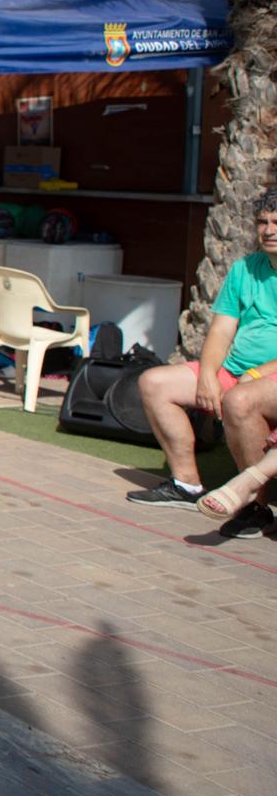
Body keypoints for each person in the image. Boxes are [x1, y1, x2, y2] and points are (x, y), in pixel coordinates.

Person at [129, 189, 277, 538]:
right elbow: (221, 332)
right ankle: (186, 484)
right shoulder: (245, 270)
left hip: (265, 378)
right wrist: (209, 374)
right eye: (263, 222)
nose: (269, 229)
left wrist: (255, 375)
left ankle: (254, 507)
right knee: (154, 383)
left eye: (276, 222)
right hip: (237, 372)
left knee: (240, 400)